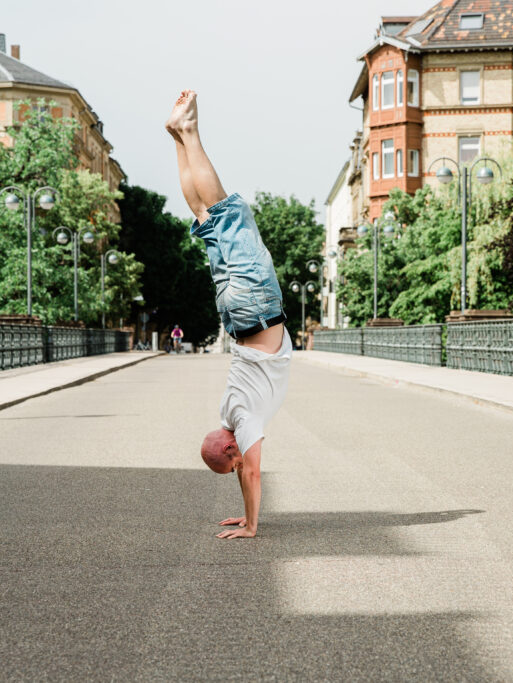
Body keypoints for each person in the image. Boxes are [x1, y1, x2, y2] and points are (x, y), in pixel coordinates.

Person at [166, 90, 291, 540]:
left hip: (256, 306)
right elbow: (240, 465)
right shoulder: (229, 415)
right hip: (236, 312)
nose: (244, 464)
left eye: (236, 459)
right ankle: (177, 140)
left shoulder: (245, 422)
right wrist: (245, 511)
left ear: (231, 446)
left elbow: (252, 473)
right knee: (204, 217)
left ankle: (190, 133)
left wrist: (253, 525)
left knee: (226, 213)